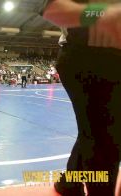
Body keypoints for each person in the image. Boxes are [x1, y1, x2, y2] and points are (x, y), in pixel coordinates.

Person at [42, 1, 121, 195]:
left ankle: (69, 182)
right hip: (89, 57)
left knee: (95, 130)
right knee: (106, 140)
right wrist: (102, 13)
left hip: (110, 58)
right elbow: (54, 9)